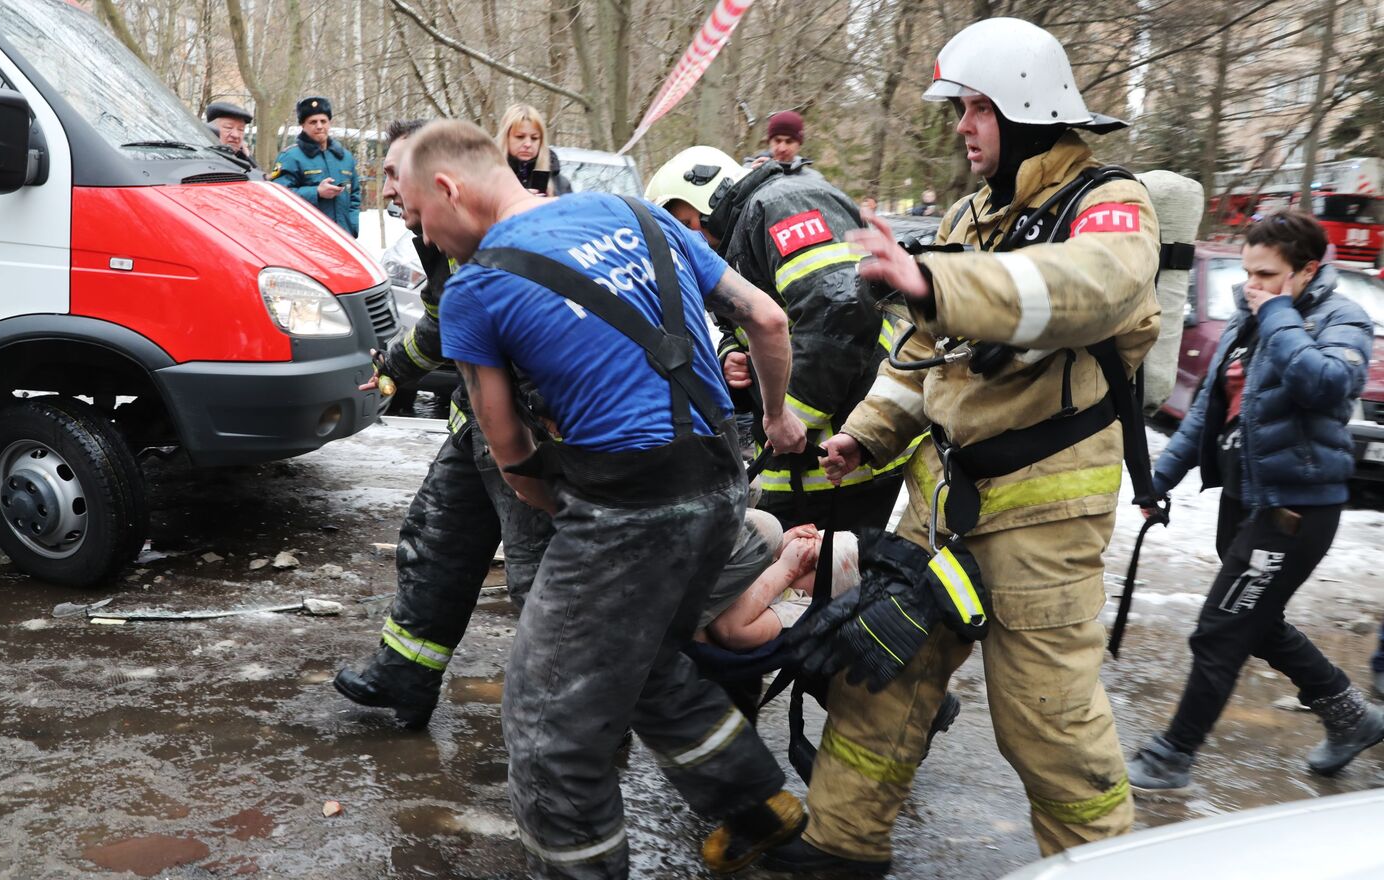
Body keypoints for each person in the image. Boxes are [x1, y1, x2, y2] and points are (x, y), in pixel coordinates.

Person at [759, 17, 1161, 873]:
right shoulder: (974, 214)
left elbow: (1090, 288)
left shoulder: (1110, 206)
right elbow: (920, 354)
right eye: (959, 110)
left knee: (1046, 724)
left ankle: (1108, 866)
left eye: (976, 109)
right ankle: (839, 845)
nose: (963, 127)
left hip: (1044, 521)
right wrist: (866, 437)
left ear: (1025, 109)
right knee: (883, 678)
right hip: (940, 508)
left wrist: (936, 278)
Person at [400, 118, 810, 878]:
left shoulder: (477, 289)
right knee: (644, 658)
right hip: (723, 480)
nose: (426, 237)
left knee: (547, 721)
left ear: (450, 189)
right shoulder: (638, 214)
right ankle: (759, 804)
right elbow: (768, 318)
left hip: (630, 507)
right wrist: (779, 414)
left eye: (421, 218)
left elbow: (510, 452)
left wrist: (580, 522)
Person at [1126, 211, 1380, 790]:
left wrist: (1279, 313)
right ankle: (1352, 718)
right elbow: (1204, 417)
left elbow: (1324, 384)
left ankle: (1174, 754)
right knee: (1254, 622)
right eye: (1247, 274)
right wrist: (1158, 479)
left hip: (1295, 512)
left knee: (1221, 628)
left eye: (1267, 275)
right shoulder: (1246, 323)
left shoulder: (1343, 319)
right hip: (1243, 502)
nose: (1252, 286)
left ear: (1307, 270)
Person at [332, 119, 555, 729]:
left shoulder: (499, 231)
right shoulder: (432, 234)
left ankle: (582, 720)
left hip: (528, 434)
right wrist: (395, 367)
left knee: (541, 578)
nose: (389, 190)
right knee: (435, 543)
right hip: (474, 426)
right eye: (383, 177)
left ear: (439, 181)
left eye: (396, 175)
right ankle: (405, 675)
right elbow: (442, 317)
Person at [646, 145, 913, 532]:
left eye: (687, 223)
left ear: (708, 197)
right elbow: (743, 326)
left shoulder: (782, 206)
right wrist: (733, 358)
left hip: (843, 444)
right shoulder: (739, 235)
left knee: (825, 572)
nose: (690, 240)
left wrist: (791, 415)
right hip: (806, 450)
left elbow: (838, 311)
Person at [701, 515, 860, 651]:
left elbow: (728, 631)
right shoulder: (787, 569)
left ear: (828, 587)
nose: (796, 556)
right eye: (800, 544)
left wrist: (786, 566)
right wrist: (777, 546)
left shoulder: (801, 607)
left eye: (809, 561)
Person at [270, 96, 361, 236]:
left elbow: (354, 195)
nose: (319, 126)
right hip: (309, 240)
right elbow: (278, 197)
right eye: (313, 122)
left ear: (329, 123)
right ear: (303, 125)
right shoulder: (290, 157)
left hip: (343, 238)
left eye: (323, 121)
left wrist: (352, 226)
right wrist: (316, 192)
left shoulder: (345, 157)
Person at [496, 103, 572, 196]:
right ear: (506, 138)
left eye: (534, 138)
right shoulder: (486, 179)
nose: (528, 144)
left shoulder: (560, 184)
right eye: (520, 137)